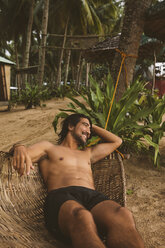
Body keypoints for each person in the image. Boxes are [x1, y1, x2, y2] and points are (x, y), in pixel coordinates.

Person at [12, 113, 144, 248]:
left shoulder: (88, 153)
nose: (88, 131)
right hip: (61, 196)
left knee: (123, 215)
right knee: (82, 216)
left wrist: (91, 127)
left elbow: (117, 141)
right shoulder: (49, 148)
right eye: (85, 125)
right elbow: (25, 155)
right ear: (70, 126)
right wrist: (19, 147)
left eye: (89, 129)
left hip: (91, 196)